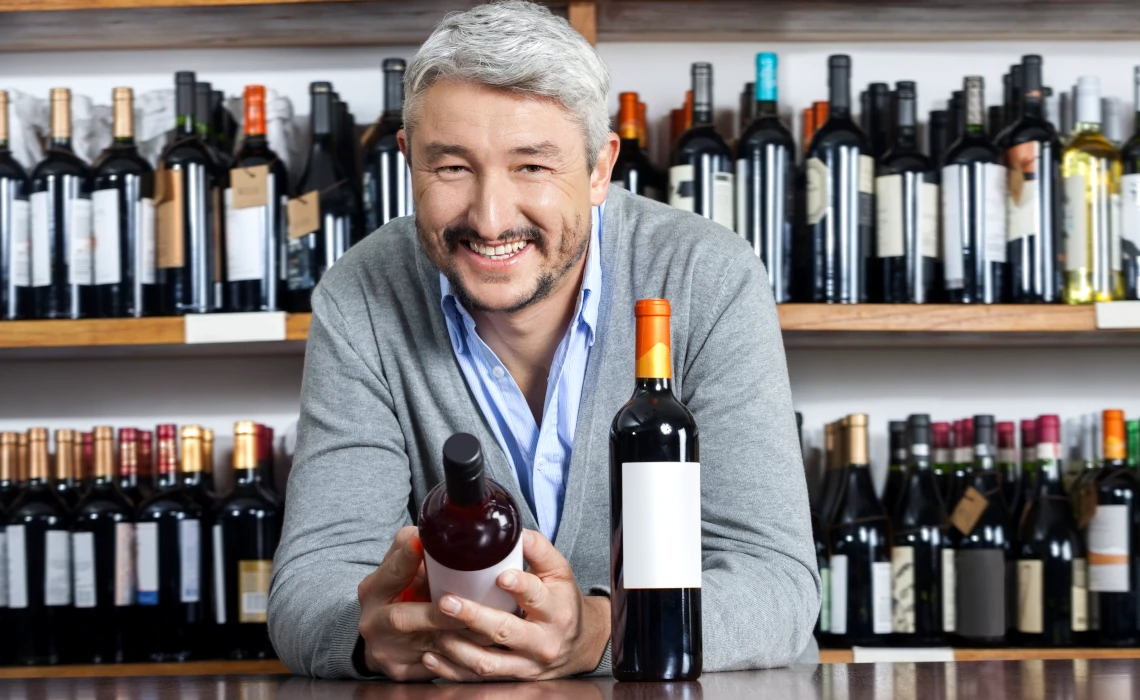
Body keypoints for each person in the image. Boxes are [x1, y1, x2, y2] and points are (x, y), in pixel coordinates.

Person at [268, 0, 819, 682]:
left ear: (598, 169)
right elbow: (310, 587)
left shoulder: (706, 275)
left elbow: (777, 583)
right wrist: (365, 636)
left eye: (532, 167)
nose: (491, 217)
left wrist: (599, 631)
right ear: (408, 163)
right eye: (451, 168)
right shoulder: (361, 297)